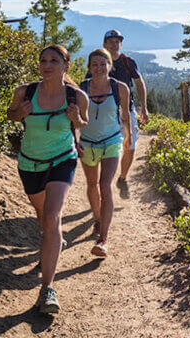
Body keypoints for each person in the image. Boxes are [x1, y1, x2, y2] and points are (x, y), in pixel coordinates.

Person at [6, 45, 88, 315]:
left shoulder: (76, 96)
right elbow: (11, 115)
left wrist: (76, 119)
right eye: (43, 60)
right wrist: (21, 113)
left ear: (66, 65)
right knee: (43, 216)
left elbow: (82, 122)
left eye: (54, 60)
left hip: (63, 158)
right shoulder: (25, 92)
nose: (47, 65)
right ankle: (51, 241)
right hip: (30, 163)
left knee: (52, 216)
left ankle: (47, 289)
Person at [77, 48, 130, 257]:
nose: (99, 68)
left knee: (104, 185)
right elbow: (72, 118)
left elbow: (125, 114)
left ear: (110, 65)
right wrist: (74, 140)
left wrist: (128, 138)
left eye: (103, 64)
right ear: (89, 67)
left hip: (111, 141)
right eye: (94, 64)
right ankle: (97, 220)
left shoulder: (120, 88)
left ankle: (103, 239)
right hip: (87, 143)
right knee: (92, 185)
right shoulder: (81, 89)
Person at [102, 30, 148, 185]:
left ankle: (122, 178)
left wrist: (144, 108)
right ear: (105, 44)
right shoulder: (100, 62)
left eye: (117, 41)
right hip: (105, 112)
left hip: (126, 110)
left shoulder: (128, 62)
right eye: (111, 41)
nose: (115, 44)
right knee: (107, 148)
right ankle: (106, 180)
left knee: (130, 145)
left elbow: (139, 83)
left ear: (120, 44)